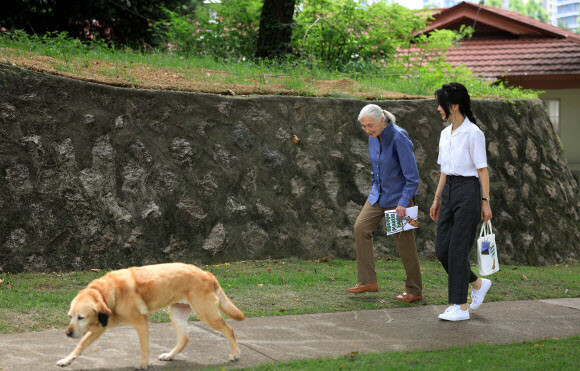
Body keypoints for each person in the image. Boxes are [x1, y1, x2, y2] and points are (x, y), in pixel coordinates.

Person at [346, 104, 423, 303]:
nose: (367, 130)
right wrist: (374, 183)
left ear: (382, 120)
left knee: (404, 244)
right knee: (360, 228)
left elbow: (412, 177)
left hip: (399, 200)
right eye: (363, 126)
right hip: (378, 196)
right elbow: (376, 167)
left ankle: (414, 290)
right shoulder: (373, 137)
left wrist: (403, 202)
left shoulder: (399, 137)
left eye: (370, 125)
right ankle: (367, 281)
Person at [429, 83, 493, 321]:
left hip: (468, 191)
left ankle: (461, 307)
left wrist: (485, 202)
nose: (438, 109)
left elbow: (482, 170)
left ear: (453, 106)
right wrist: (437, 199)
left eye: (441, 104)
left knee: (457, 250)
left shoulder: (473, 133)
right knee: (442, 250)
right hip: (449, 192)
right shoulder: (445, 134)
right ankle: (477, 284)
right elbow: (444, 170)